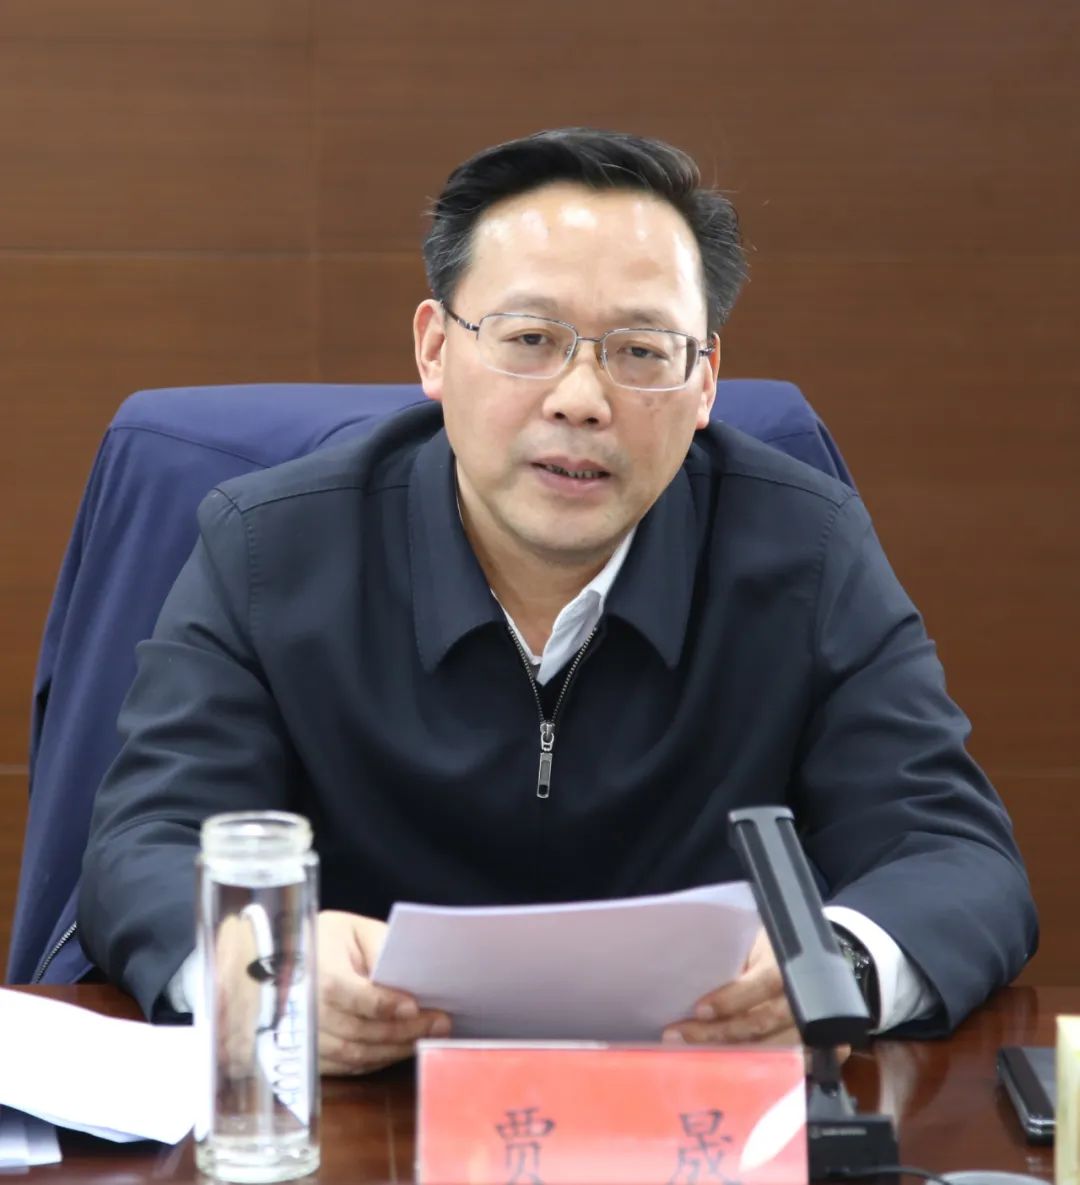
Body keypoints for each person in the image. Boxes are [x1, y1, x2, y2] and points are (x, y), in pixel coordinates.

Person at [78, 128, 1037, 1074]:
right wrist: (267, 968)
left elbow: (954, 855)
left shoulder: (805, 550)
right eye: (531, 339)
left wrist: (839, 968)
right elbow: (144, 847)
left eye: (641, 350)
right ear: (434, 349)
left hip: (693, 1105)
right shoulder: (269, 548)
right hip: (365, 1103)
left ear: (704, 381)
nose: (581, 399)